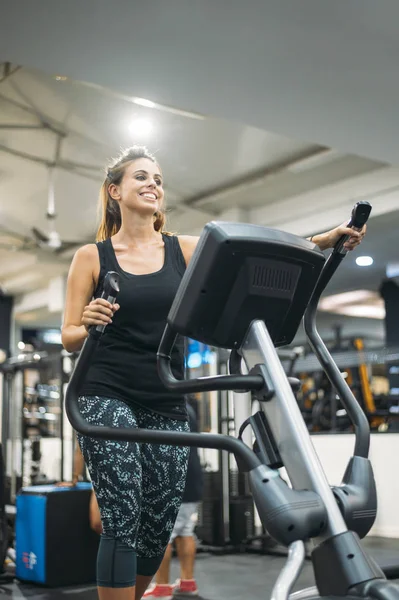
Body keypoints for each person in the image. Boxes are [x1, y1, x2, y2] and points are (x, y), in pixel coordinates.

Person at [61, 145, 366, 600]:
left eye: (159, 179)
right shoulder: (91, 256)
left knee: (157, 526)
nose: (153, 185)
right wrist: (86, 322)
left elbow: (254, 250)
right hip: (106, 394)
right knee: (123, 515)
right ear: (115, 191)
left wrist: (325, 241)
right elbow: (67, 335)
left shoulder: (182, 250)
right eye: (141, 177)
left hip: (165, 397)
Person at [144, 398, 203, 599]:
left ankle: (162, 586)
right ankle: (187, 583)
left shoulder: (162, 405)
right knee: (185, 530)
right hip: (193, 477)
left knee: (162, 536)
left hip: (174, 479)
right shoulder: (188, 406)